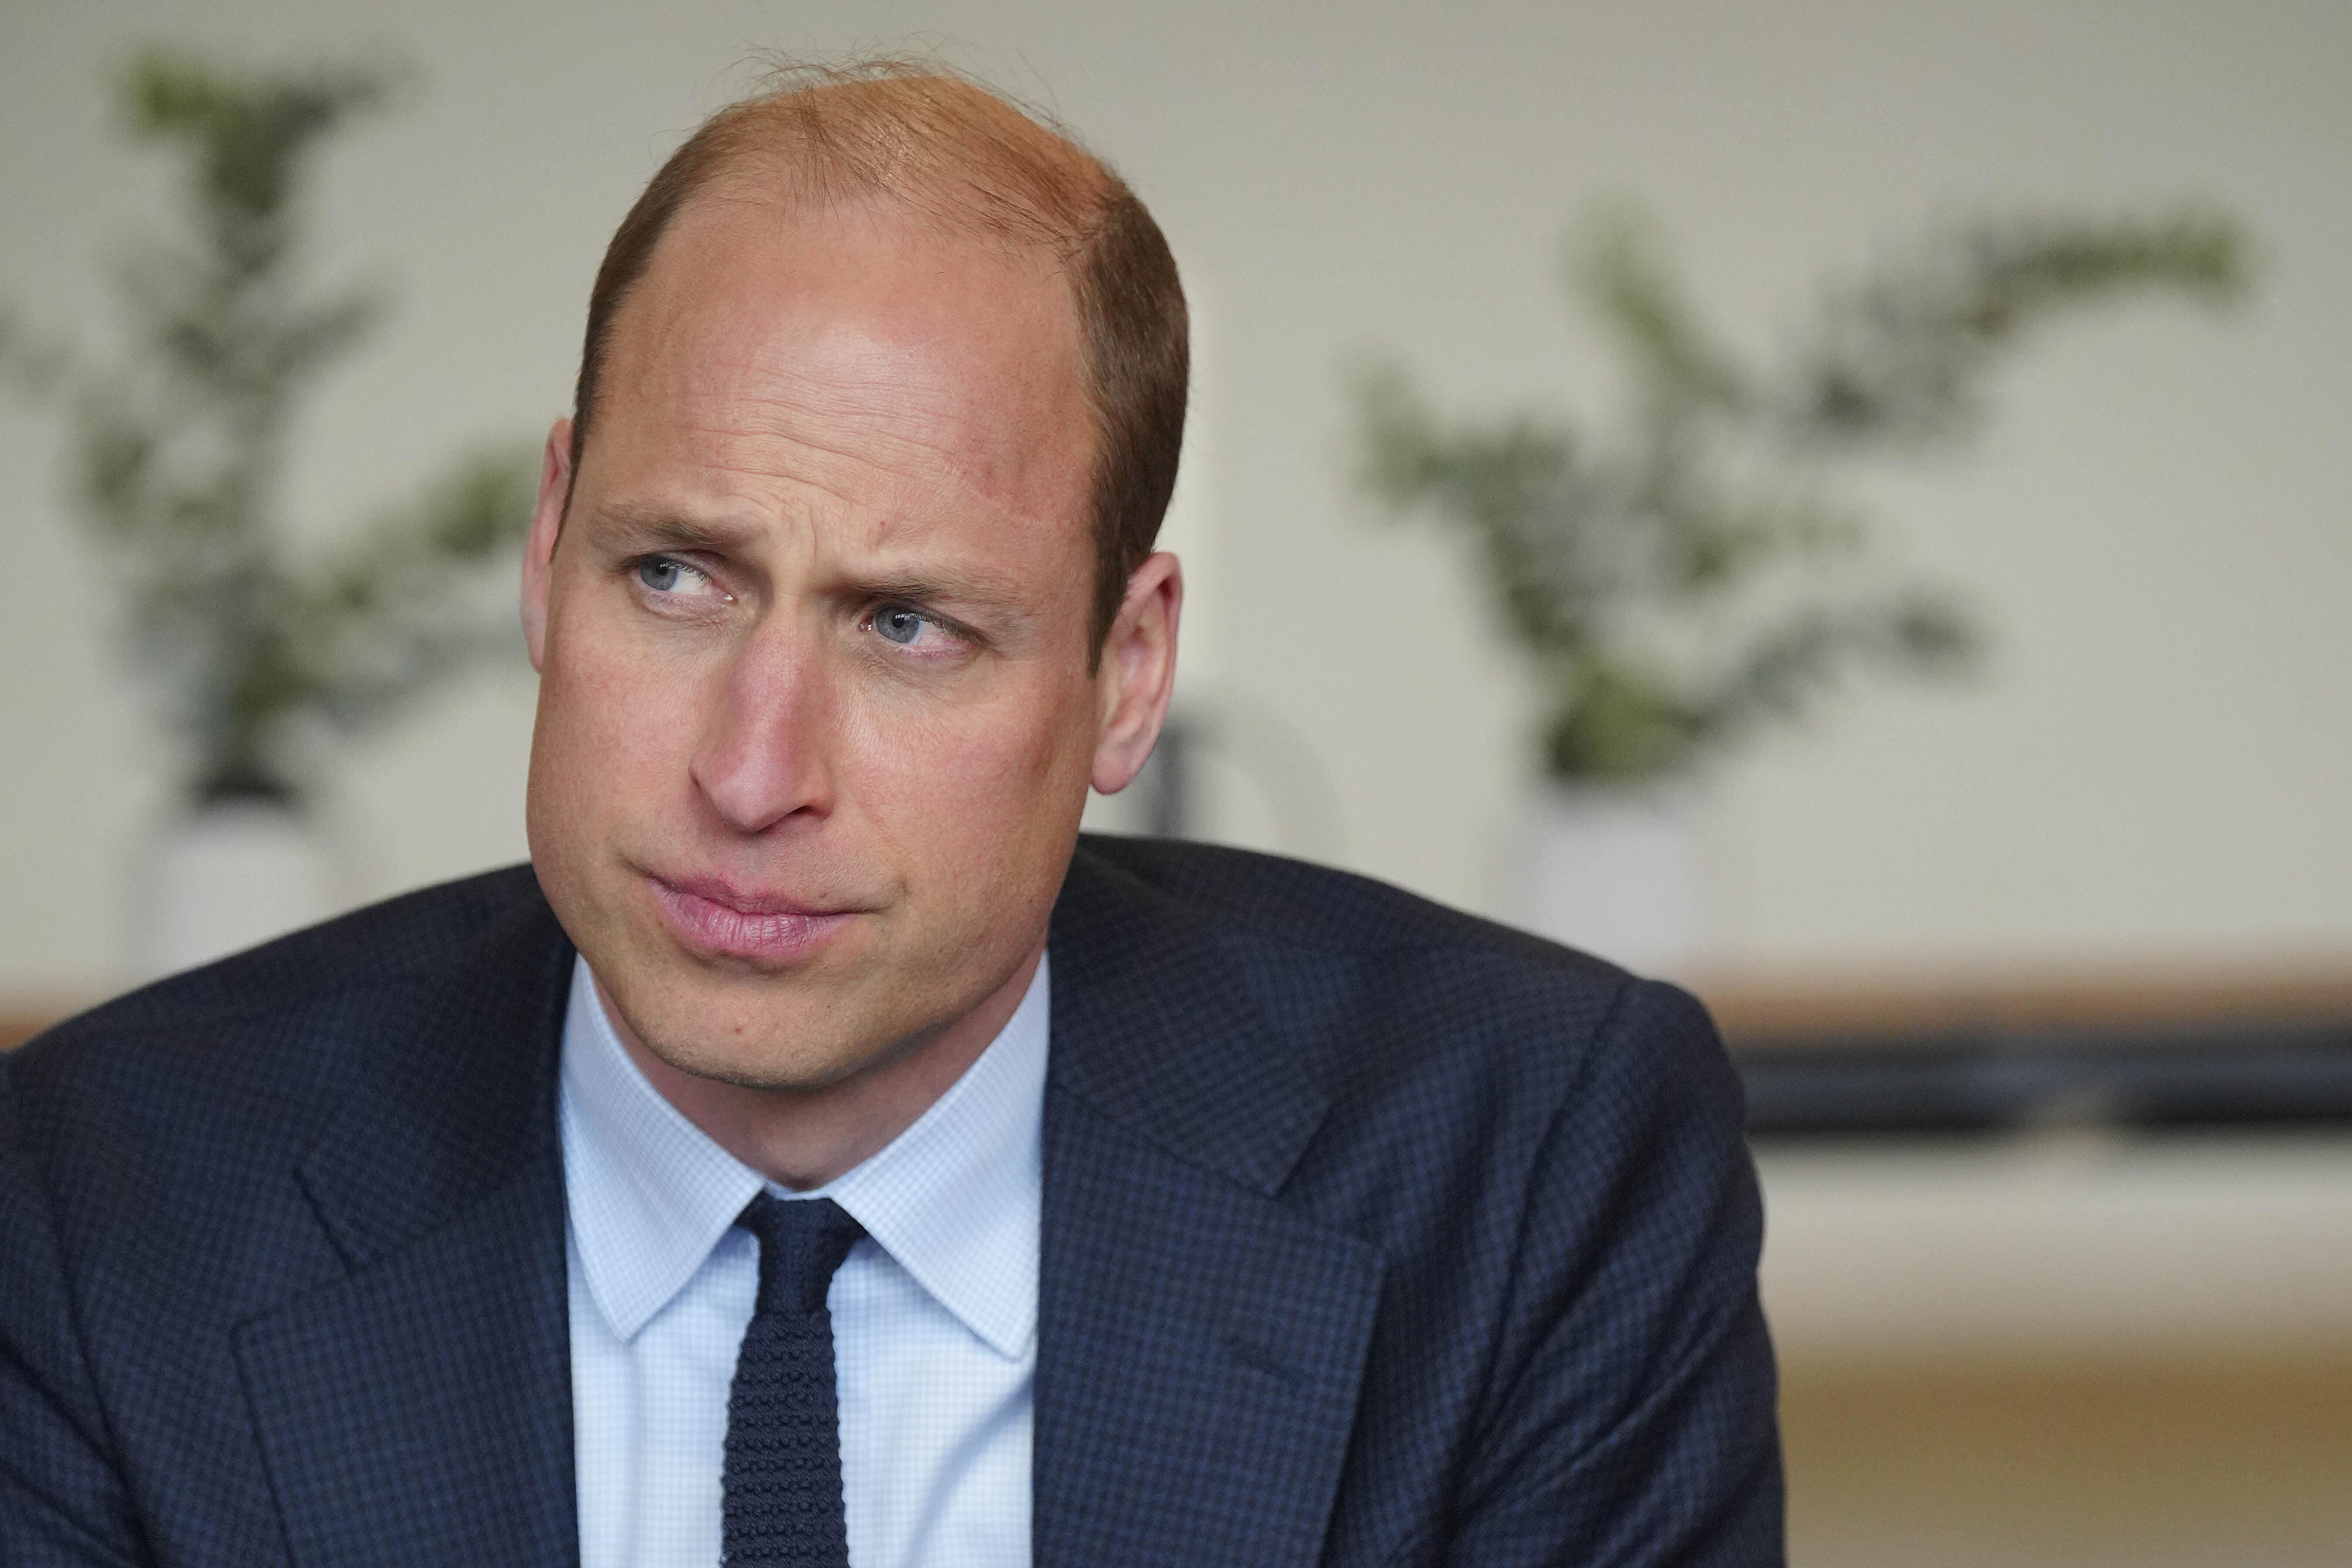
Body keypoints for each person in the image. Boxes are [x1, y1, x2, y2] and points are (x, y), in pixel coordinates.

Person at [0, 62, 1782, 1568]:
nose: (752, 771)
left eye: (907, 624)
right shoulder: (108, 1201)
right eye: (678, 575)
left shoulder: (1525, 1168)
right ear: (547, 550)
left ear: (1129, 671)